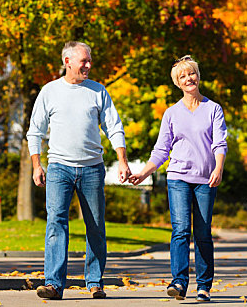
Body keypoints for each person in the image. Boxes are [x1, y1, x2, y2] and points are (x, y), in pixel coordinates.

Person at [27, 41, 131, 300]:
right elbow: (35, 131)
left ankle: (95, 281)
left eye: (89, 60)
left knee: (95, 226)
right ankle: (53, 284)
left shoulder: (97, 91)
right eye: (83, 60)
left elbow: (114, 126)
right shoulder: (49, 91)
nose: (88, 65)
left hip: (92, 169)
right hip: (59, 168)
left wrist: (123, 160)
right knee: (56, 223)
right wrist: (36, 164)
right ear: (67, 62)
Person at [129, 55, 227, 302]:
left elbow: (220, 143)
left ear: (198, 76)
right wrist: (144, 172)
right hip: (178, 178)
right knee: (181, 230)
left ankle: (203, 286)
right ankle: (179, 282)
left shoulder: (213, 109)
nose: (188, 79)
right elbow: (161, 149)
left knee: (202, 233)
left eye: (191, 73)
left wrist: (218, 168)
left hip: (206, 178)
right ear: (177, 83)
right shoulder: (171, 113)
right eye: (182, 76)